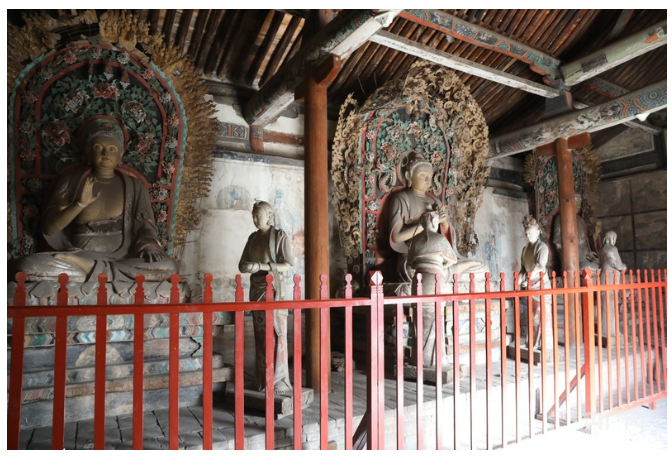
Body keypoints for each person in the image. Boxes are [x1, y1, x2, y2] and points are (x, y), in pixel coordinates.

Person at [13, 119, 178, 283]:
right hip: (76, 256)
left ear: (120, 154)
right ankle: (104, 272)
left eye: (112, 149)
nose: (105, 153)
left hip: (122, 258)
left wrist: (148, 247)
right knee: (28, 266)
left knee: (169, 267)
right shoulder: (70, 182)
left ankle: (93, 270)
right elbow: (50, 229)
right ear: (88, 152)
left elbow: (145, 228)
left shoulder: (134, 186)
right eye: (98, 148)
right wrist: (79, 204)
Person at [386, 152, 487, 289]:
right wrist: (422, 226)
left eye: (430, 176)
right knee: (415, 273)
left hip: (438, 256)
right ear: (409, 176)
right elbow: (396, 237)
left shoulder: (435, 202)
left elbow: (446, 240)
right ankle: (444, 279)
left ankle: (440, 278)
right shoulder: (401, 199)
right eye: (422, 175)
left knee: (481, 267)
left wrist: (444, 222)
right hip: (413, 257)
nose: (427, 180)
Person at [238, 200, 294, 394]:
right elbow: (242, 264)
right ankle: (261, 378)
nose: (255, 219)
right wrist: (248, 267)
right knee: (260, 335)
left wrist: (261, 266)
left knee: (276, 334)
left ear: (269, 216)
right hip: (257, 289)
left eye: (258, 215)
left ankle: (278, 380)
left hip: (274, 290)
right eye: (253, 216)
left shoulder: (279, 236)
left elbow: (287, 264)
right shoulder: (252, 238)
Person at [407, 210, 457, 368]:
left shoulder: (415, 240)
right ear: (435, 222)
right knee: (436, 319)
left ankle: (419, 359)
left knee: (419, 319)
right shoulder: (440, 239)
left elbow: (410, 263)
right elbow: (453, 259)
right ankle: (435, 360)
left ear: (422, 223)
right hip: (435, 280)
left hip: (419, 281)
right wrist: (439, 263)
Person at [518, 216, 553, 352]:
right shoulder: (525, 249)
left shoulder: (542, 247)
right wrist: (519, 279)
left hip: (540, 285)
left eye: (531, 233)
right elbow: (523, 268)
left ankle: (543, 343)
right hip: (529, 286)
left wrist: (528, 278)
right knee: (532, 316)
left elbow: (540, 266)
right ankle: (531, 341)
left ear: (538, 233)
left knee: (541, 315)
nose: (528, 236)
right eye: (526, 233)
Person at [552, 193, 599, 273]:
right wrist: (579, 253)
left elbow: (584, 243)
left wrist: (588, 253)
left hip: (583, 256)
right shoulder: (560, 219)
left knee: (597, 265)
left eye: (578, 204)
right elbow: (558, 242)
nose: (577, 206)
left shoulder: (580, 221)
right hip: (570, 257)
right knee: (586, 268)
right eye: (575, 203)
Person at [599, 230, 627, 338]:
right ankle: (611, 331)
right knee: (611, 304)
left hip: (603, 276)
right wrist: (623, 267)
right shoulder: (612, 249)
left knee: (605, 305)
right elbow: (617, 264)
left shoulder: (602, 249)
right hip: (611, 277)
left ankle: (605, 329)